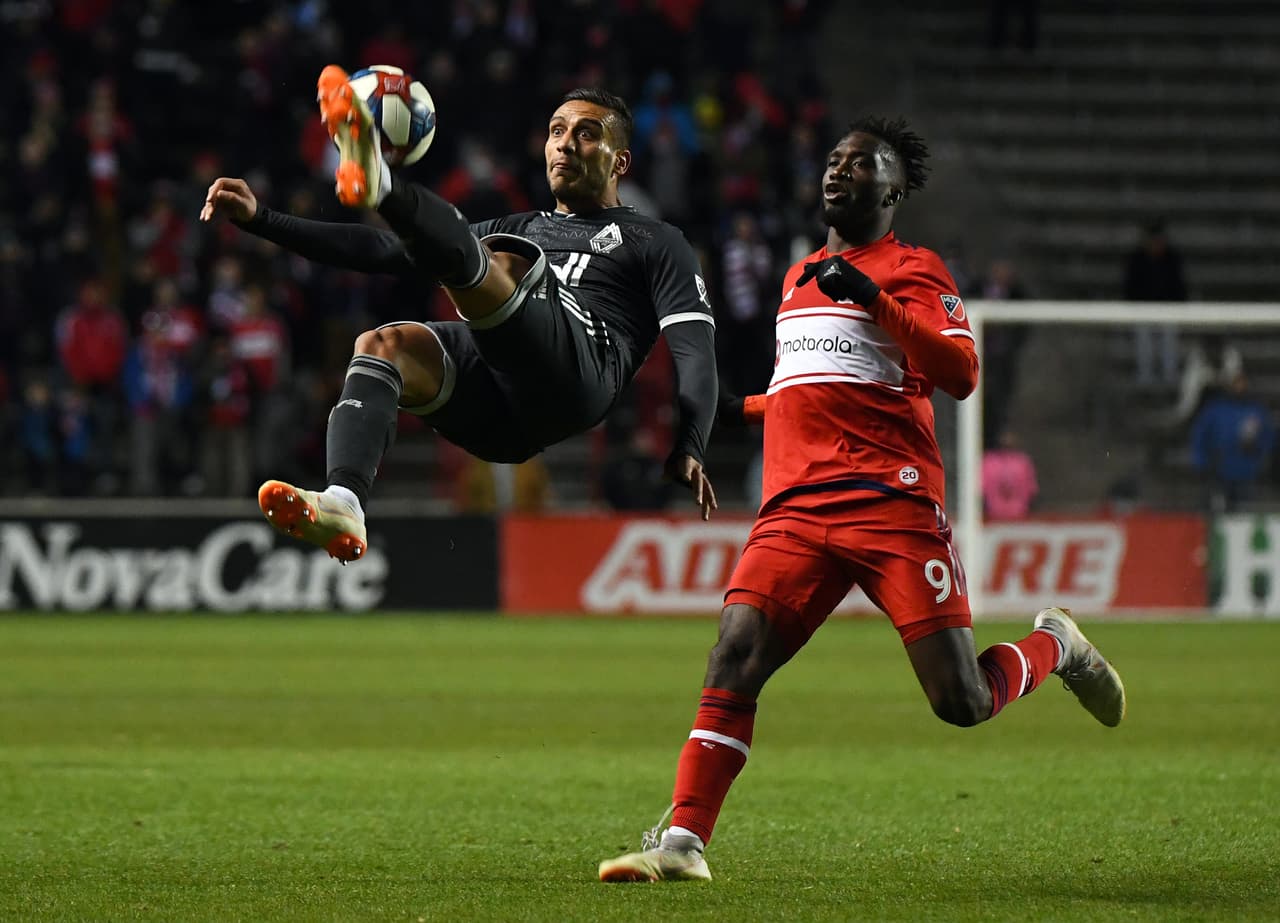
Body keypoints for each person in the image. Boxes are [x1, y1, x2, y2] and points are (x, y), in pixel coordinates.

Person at [597, 117, 1126, 883]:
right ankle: (683, 839)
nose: (838, 170)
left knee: (962, 699)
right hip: (797, 508)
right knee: (734, 654)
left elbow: (961, 373)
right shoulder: (798, 275)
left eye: (860, 163)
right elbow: (807, 387)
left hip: (891, 504)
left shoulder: (915, 269)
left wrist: (876, 299)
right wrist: (727, 415)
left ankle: (1057, 644)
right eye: (834, 159)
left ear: (894, 189)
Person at [200, 69, 719, 557]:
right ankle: (345, 502)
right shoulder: (524, 225)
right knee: (384, 346)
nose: (565, 144)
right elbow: (383, 252)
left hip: (582, 374)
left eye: (586, 134)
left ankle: (381, 184)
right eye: (557, 131)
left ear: (620, 162)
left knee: (503, 260)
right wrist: (263, 219)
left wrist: (692, 442)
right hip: (502, 416)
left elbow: (694, 349)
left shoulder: (656, 240)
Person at [1190, 371, 1275, 513]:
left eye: (1242, 383)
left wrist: (1259, 454)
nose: (1239, 387)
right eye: (1235, 384)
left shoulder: (1256, 411)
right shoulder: (1214, 410)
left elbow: (1268, 438)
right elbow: (1199, 436)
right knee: (1218, 511)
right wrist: (1201, 463)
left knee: (1245, 514)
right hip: (1219, 471)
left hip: (1248, 472)